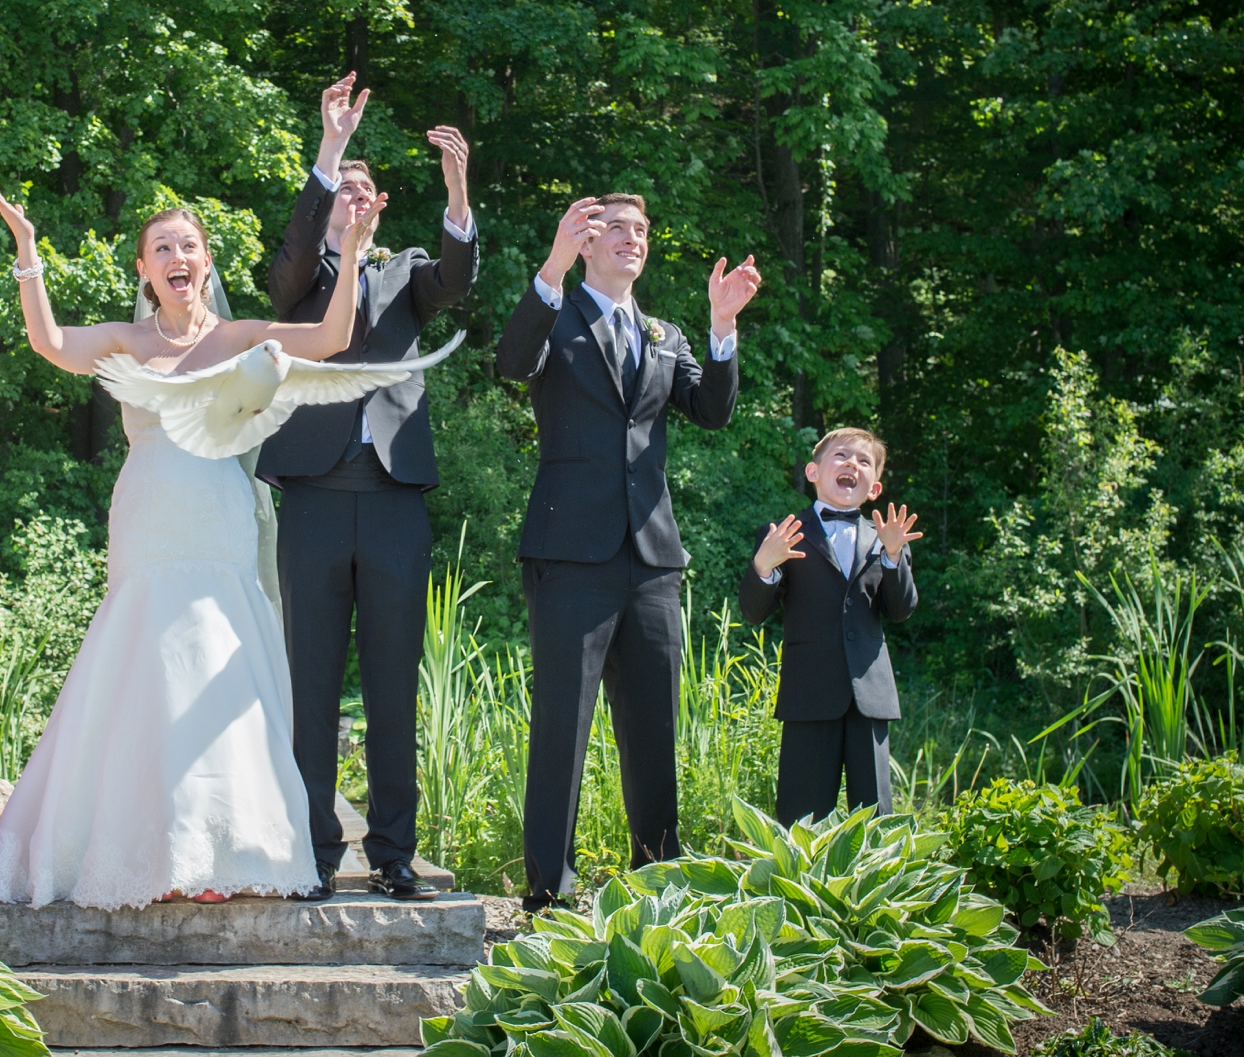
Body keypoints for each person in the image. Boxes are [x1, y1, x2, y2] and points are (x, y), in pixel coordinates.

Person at [0, 179, 382, 908]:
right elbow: (48, 342)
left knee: (215, 667)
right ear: (142, 269)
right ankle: (148, 853)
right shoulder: (124, 342)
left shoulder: (235, 339)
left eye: (187, 245)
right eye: (161, 247)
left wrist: (350, 249)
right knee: (149, 669)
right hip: (149, 518)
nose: (176, 256)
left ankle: (225, 852)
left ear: (206, 260)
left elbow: (329, 339)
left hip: (218, 517)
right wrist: (28, 248)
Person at [495, 194, 762, 910]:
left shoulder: (664, 333)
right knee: (562, 728)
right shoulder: (558, 313)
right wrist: (549, 268)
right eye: (616, 227)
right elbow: (512, 363)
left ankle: (658, 886)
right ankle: (549, 893)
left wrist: (722, 326)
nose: (631, 238)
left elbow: (713, 411)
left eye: (641, 230)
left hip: (650, 563)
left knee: (653, 731)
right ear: (585, 242)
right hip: (569, 559)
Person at [256, 72, 478, 902]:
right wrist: (330, 152)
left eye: (359, 190)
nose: (349, 199)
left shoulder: (407, 271)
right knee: (309, 689)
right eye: (336, 192)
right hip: (312, 499)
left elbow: (455, 282)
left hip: (393, 505)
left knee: (392, 687)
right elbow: (285, 280)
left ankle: (392, 855)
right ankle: (313, 850)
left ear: (380, 204)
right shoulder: (302, 279)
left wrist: (456, 192)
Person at [739, 427, 921, 826]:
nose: (852, 465)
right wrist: (763, 566)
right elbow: (753, 612)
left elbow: (901, 609)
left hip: (869, 694)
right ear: (813, 472)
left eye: (864, 461)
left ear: (874, 488)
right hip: (809, 693)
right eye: (841, 456)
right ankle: (796, 887)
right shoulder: (782, 534)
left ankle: (876, 885)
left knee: (875, 818)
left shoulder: (886, 538)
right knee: (800, 817)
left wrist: (893, 557)